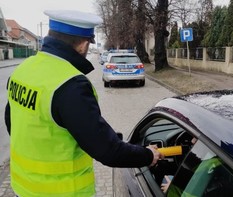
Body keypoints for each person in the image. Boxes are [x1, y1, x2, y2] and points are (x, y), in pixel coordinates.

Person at [4, 10, 162, 197]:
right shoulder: (70, 84)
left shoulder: (24, 69)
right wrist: (148, 155)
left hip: (22, 188)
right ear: (83, 45)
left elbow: (12, 123)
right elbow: (107, 150)